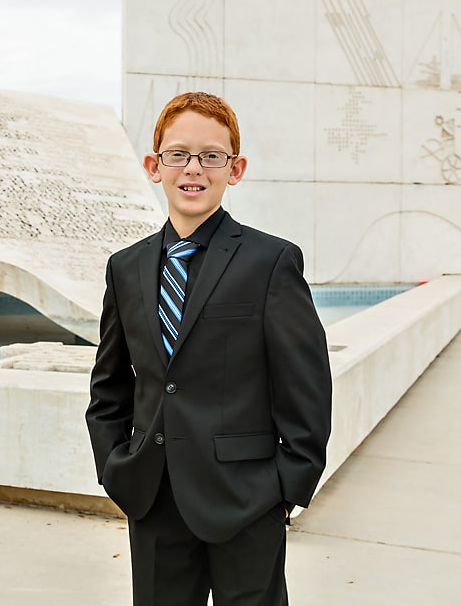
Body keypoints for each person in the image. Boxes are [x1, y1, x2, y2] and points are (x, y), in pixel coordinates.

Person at [85, 92, 332, 605]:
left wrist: (286, 489)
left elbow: (305, 388)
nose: (192, 168)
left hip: (247, 500)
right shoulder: (125, 268)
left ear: (234, 169)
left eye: (210, 156)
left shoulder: (271, 262)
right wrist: (115, 468)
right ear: (154, 165)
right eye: (177, 154)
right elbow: (110, 385)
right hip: (153, 498)